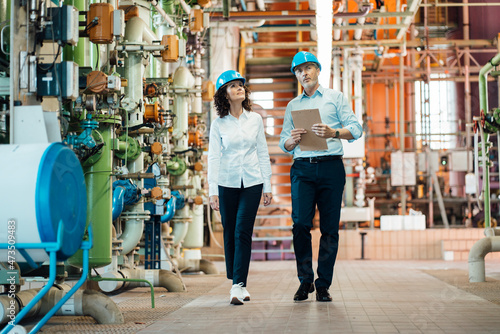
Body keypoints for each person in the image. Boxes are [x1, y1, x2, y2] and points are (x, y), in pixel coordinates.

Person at [279, 51, 363, 302]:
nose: (303, 73)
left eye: (308, 68)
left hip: (330, 168)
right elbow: (283, 142)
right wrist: (291, 141)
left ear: (317, 69)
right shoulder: (293, 105)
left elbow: (356, 129)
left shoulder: (335, 98)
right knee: (300, 225)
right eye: (298, 70)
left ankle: (323, 284)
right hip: (302, 169)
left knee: (329, 229)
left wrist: (334, 132)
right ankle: (305, 282)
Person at [208, 70, 273, 305]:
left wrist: (268, 185)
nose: (239, 88)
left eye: (241, 85)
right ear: (224, 94)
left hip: (252, 182)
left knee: (242, 231)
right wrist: (212, 191)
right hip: (226, 182)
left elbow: (263, 153)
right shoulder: (218, 125)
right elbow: (213, 157)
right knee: (229, 231)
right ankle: (238, 281)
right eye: (233, 86)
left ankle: (237, 285)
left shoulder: (254, 120)